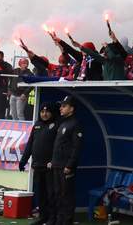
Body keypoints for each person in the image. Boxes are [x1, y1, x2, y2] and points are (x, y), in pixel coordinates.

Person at [19, 103, 60, 225]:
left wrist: (53, 161)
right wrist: (23, 160)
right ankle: (43, 216)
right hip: (37, 165)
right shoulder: (37, 125)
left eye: (47, 111)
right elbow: (30, 144)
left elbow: (58, 147)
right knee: (40, 193)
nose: (44, 114)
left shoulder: (57, 125)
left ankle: (53, 218)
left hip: (50, 167)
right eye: (42, 111)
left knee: (50, 193)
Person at [51, 96, 83, 225]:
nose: (61, 108)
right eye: (61, 106)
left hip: (66, 166)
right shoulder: (63, 123)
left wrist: (70, 165)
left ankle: (67, 221)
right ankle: (59, 220)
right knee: (58, 194)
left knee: (67, 195)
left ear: (72, 109)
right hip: (57, 164)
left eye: (64, 106)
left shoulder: (75, 124)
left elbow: (77, 147)